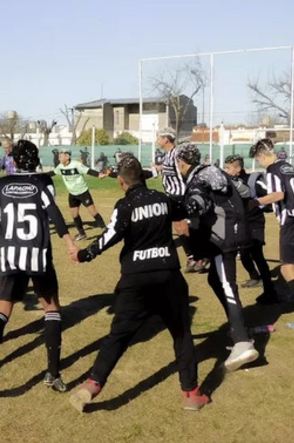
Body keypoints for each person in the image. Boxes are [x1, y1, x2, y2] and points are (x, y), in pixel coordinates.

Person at [68, 155, 209, 412]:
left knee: (118, 336)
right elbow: (189, 210)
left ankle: (92, 383)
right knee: (181, 334)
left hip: (135, 278)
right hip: (168, 275)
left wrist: (83, 254)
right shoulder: (163, 200)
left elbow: (109, 236)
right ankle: (191, 393)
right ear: (143, 178)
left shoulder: (126, 205)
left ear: (121, 182)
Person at [0, 140, 77, 396]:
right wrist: (69, 243)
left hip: (9, 255)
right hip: (37, 254)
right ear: (35, 159)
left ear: (13, 160)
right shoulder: (43, 182)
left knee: (0, 312)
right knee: (52, 310)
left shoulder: (2, 183)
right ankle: (53, 374)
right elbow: (54, 214)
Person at [175, 144, 259, 370]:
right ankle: (237, 327)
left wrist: (183, 212)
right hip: (235, 231)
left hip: (223, 240)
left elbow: (198, 203)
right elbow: (244, 191)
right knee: (216, 280)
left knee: (227, 285)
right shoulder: (216, 171)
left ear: (182, 163)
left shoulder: (197, 180)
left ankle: (242, 341)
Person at [250, 139, 294, 330]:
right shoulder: (288, 167)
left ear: (262, 156)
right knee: (292, 263)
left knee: (286, 269)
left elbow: (278, 195)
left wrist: (253, 203)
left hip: (291, 219)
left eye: (257, 159)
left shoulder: (273, 170)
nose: (259, 163)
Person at [223, 155, 277, 303]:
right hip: (241, 223)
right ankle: (254, 277)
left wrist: (262, 206)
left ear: (238, 169)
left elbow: (270, 195)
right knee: (244, 254)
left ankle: (270, 291)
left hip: (255, 223)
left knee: (257, 255)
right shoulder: (229, 182)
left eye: (228, 168)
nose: (226, 170)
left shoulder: (253, 181)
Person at [154, 127, 206, 273]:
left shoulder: (178, 153)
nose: (157, 140)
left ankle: (200, 256)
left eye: (159, 137)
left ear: (166, 139)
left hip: (183, 195)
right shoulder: (166, 155)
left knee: (187, 227)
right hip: (172, 196)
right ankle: (191, 257)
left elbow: (188, 172)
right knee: (179, 227)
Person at [54, 150, 106, 241]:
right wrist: (39, 176)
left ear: (67, 157)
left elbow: (88, 170)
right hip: (72, 194)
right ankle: (82, 233)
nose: (59, 158)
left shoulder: (76, 164)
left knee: (93, 212)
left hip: (83, 192)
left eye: (61, 157)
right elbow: (52, 173)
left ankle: (105, 230)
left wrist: (98, 175)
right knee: (74, 214)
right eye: (59, 157)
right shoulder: (60, 167)